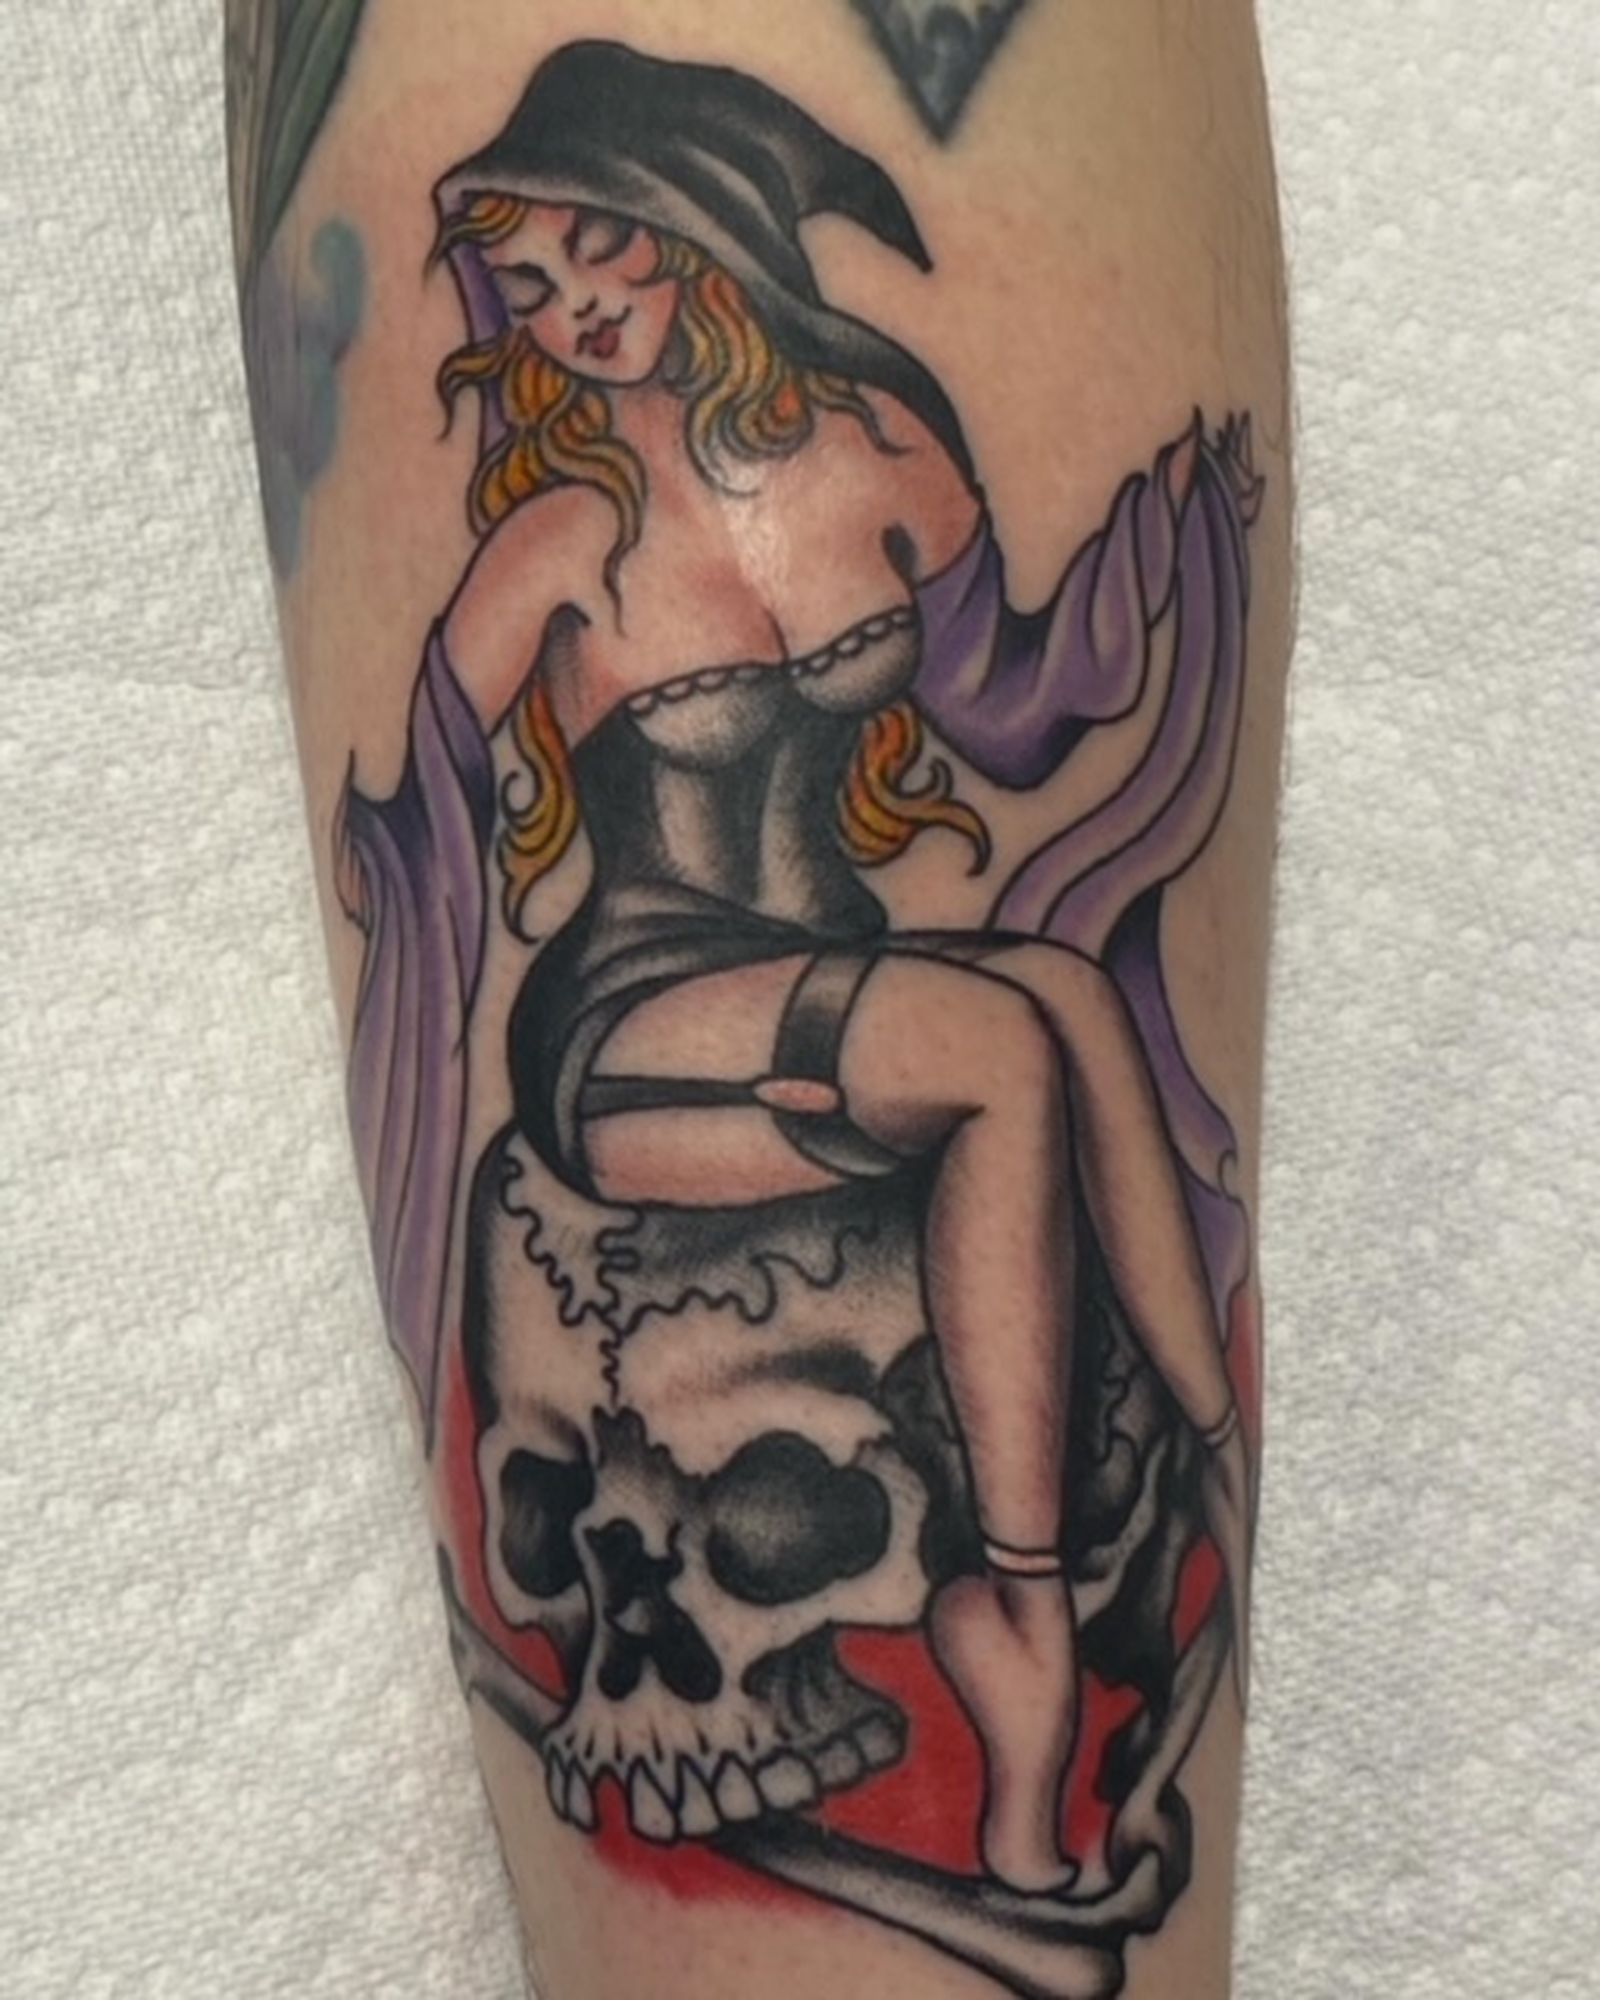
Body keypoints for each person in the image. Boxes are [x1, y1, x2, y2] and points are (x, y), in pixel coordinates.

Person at [234, 12, 1290, 1998]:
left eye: (602, 248)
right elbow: (425, 787)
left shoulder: (884, 452)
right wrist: (409, 867)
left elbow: (1009, 715)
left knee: (1068, 1005)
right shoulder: (564, 536)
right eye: (529, 276)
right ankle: (1021, 1611)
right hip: (631, 1020)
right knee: (1004, 1046)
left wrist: (1166, 568)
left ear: (696, 226)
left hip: (826, 978)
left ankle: (1197, 1473)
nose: (570, 306)